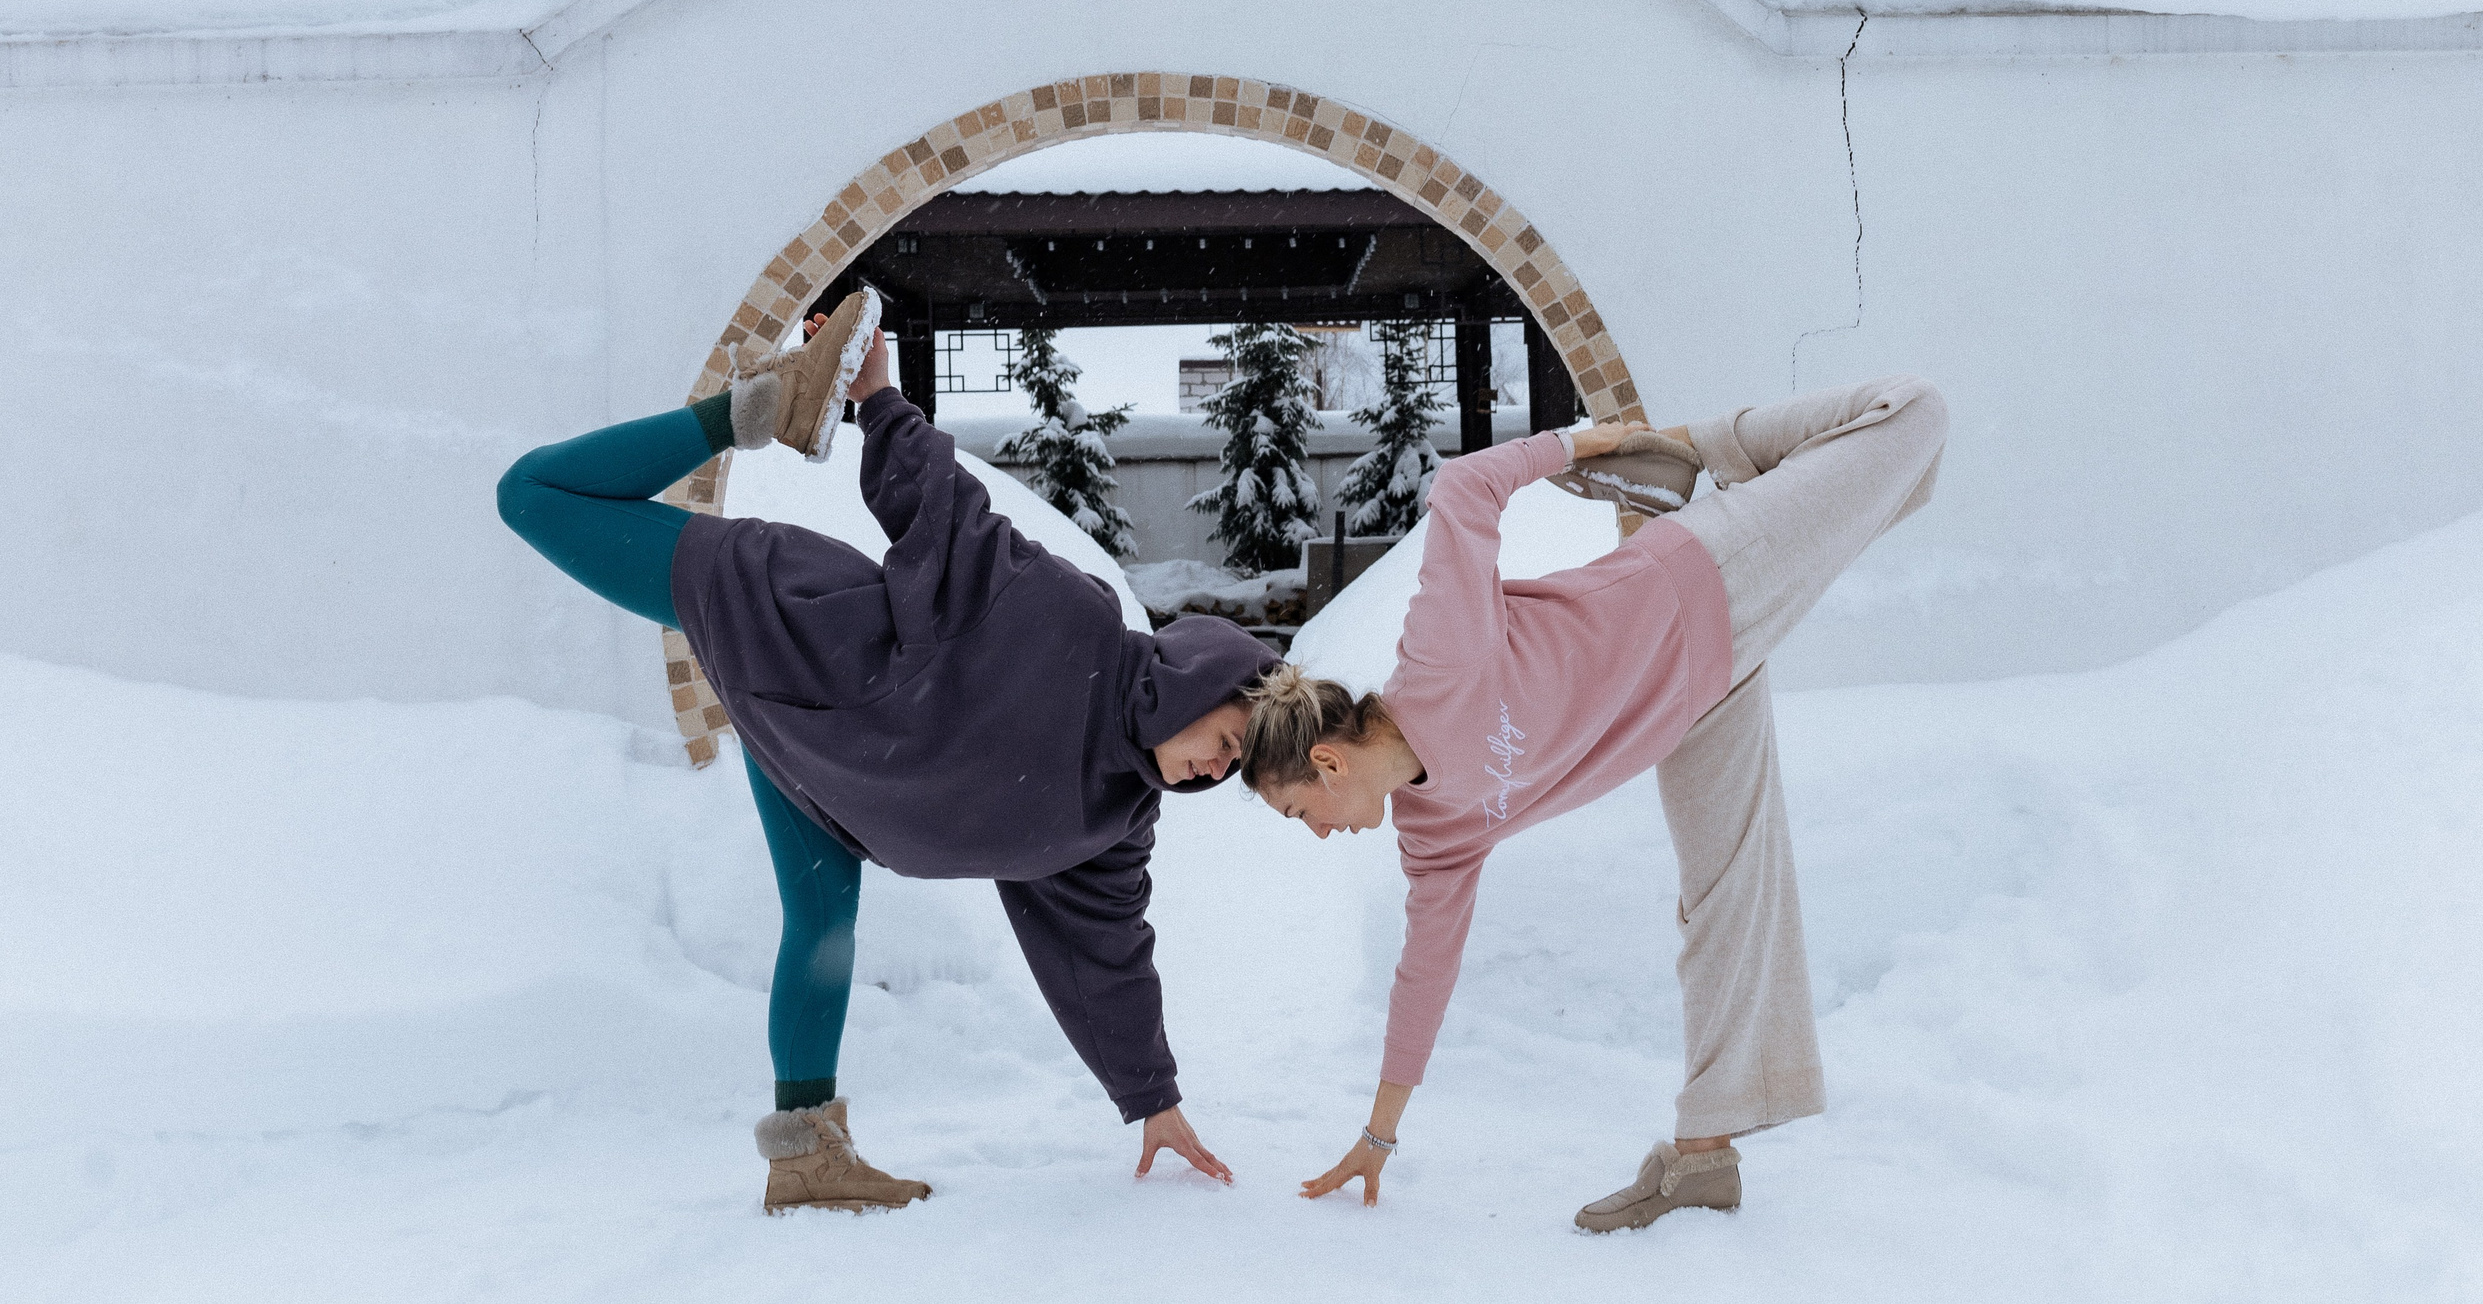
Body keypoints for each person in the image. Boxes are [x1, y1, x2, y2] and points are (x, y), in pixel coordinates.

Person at [496, 289, 1278, 1213]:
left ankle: (804, 1155)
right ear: (1199, 684)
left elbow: (1106, 958)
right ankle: (750, 412)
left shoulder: (1110, 825)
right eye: (1226, 741)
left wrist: (1154, 1102)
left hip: (824, 773)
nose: (1217, 768)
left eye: (1232, 771)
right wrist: (878, 399)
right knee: (533, 495)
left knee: (822, 927)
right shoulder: (1078, 629)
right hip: (798, 627)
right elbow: (952, 526)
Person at [1240, 376, 1949, 1231]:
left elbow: (1466, 488)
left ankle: (1695, 446)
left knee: (1913, 416)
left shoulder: (1436, 662)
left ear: (1326, 762)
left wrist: (1585, 443)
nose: (1316, 833)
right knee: (1724, 900)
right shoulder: (1436, 833)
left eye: (1300, 813)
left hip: (1705, 582)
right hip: (1691, 707)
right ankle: (1703, 1161)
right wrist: (1378, 1137)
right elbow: (1422, 977)